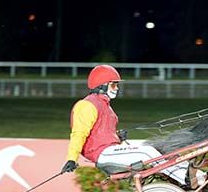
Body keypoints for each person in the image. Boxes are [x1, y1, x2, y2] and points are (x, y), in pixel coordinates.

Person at [61, 64, 189, 184]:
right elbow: (79, 134)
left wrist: (117, 137)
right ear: (102, 85)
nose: (116, 88)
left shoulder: (106, 106)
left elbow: (100, 133)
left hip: (108, 149)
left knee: (153, 145)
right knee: (148, 152)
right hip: (101, 153)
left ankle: (190, 170)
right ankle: (185, 178)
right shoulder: (87, 105)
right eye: (113, 85)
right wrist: (72, 158)